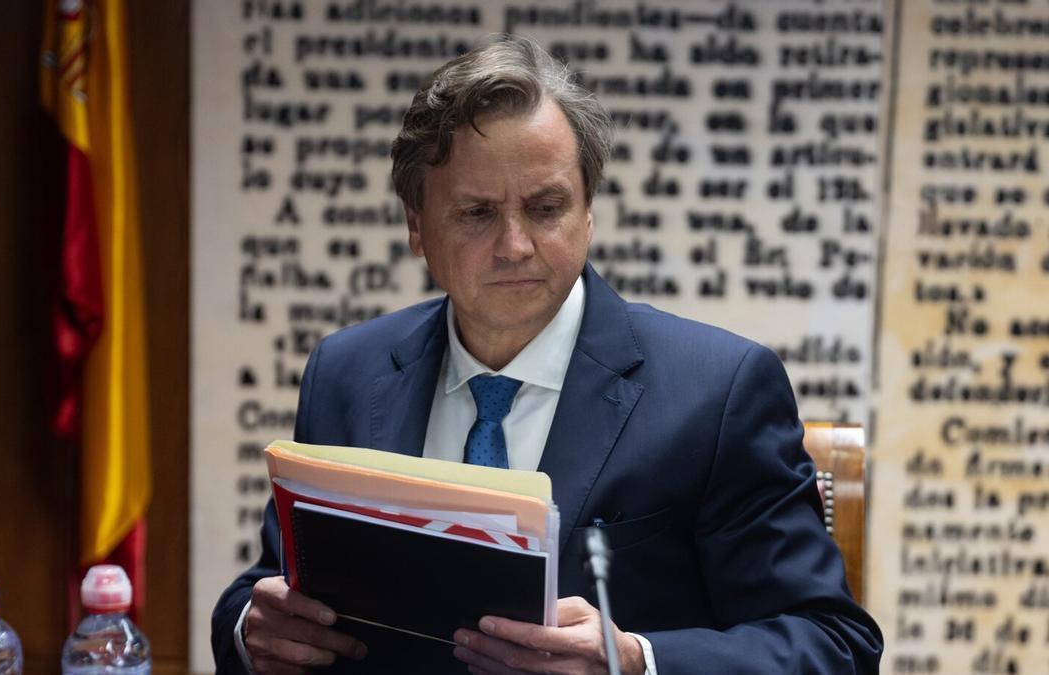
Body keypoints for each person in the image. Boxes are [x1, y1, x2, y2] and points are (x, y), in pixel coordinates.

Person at [212, 35, 883, 674]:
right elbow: (271, 584)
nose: (515, 245)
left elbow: (834, 644)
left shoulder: (720, 391)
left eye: (546, 207)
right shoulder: (347, 373)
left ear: (588, 211)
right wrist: (252, 628)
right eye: (477, 212)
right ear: (416, 225)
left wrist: (636, 660)